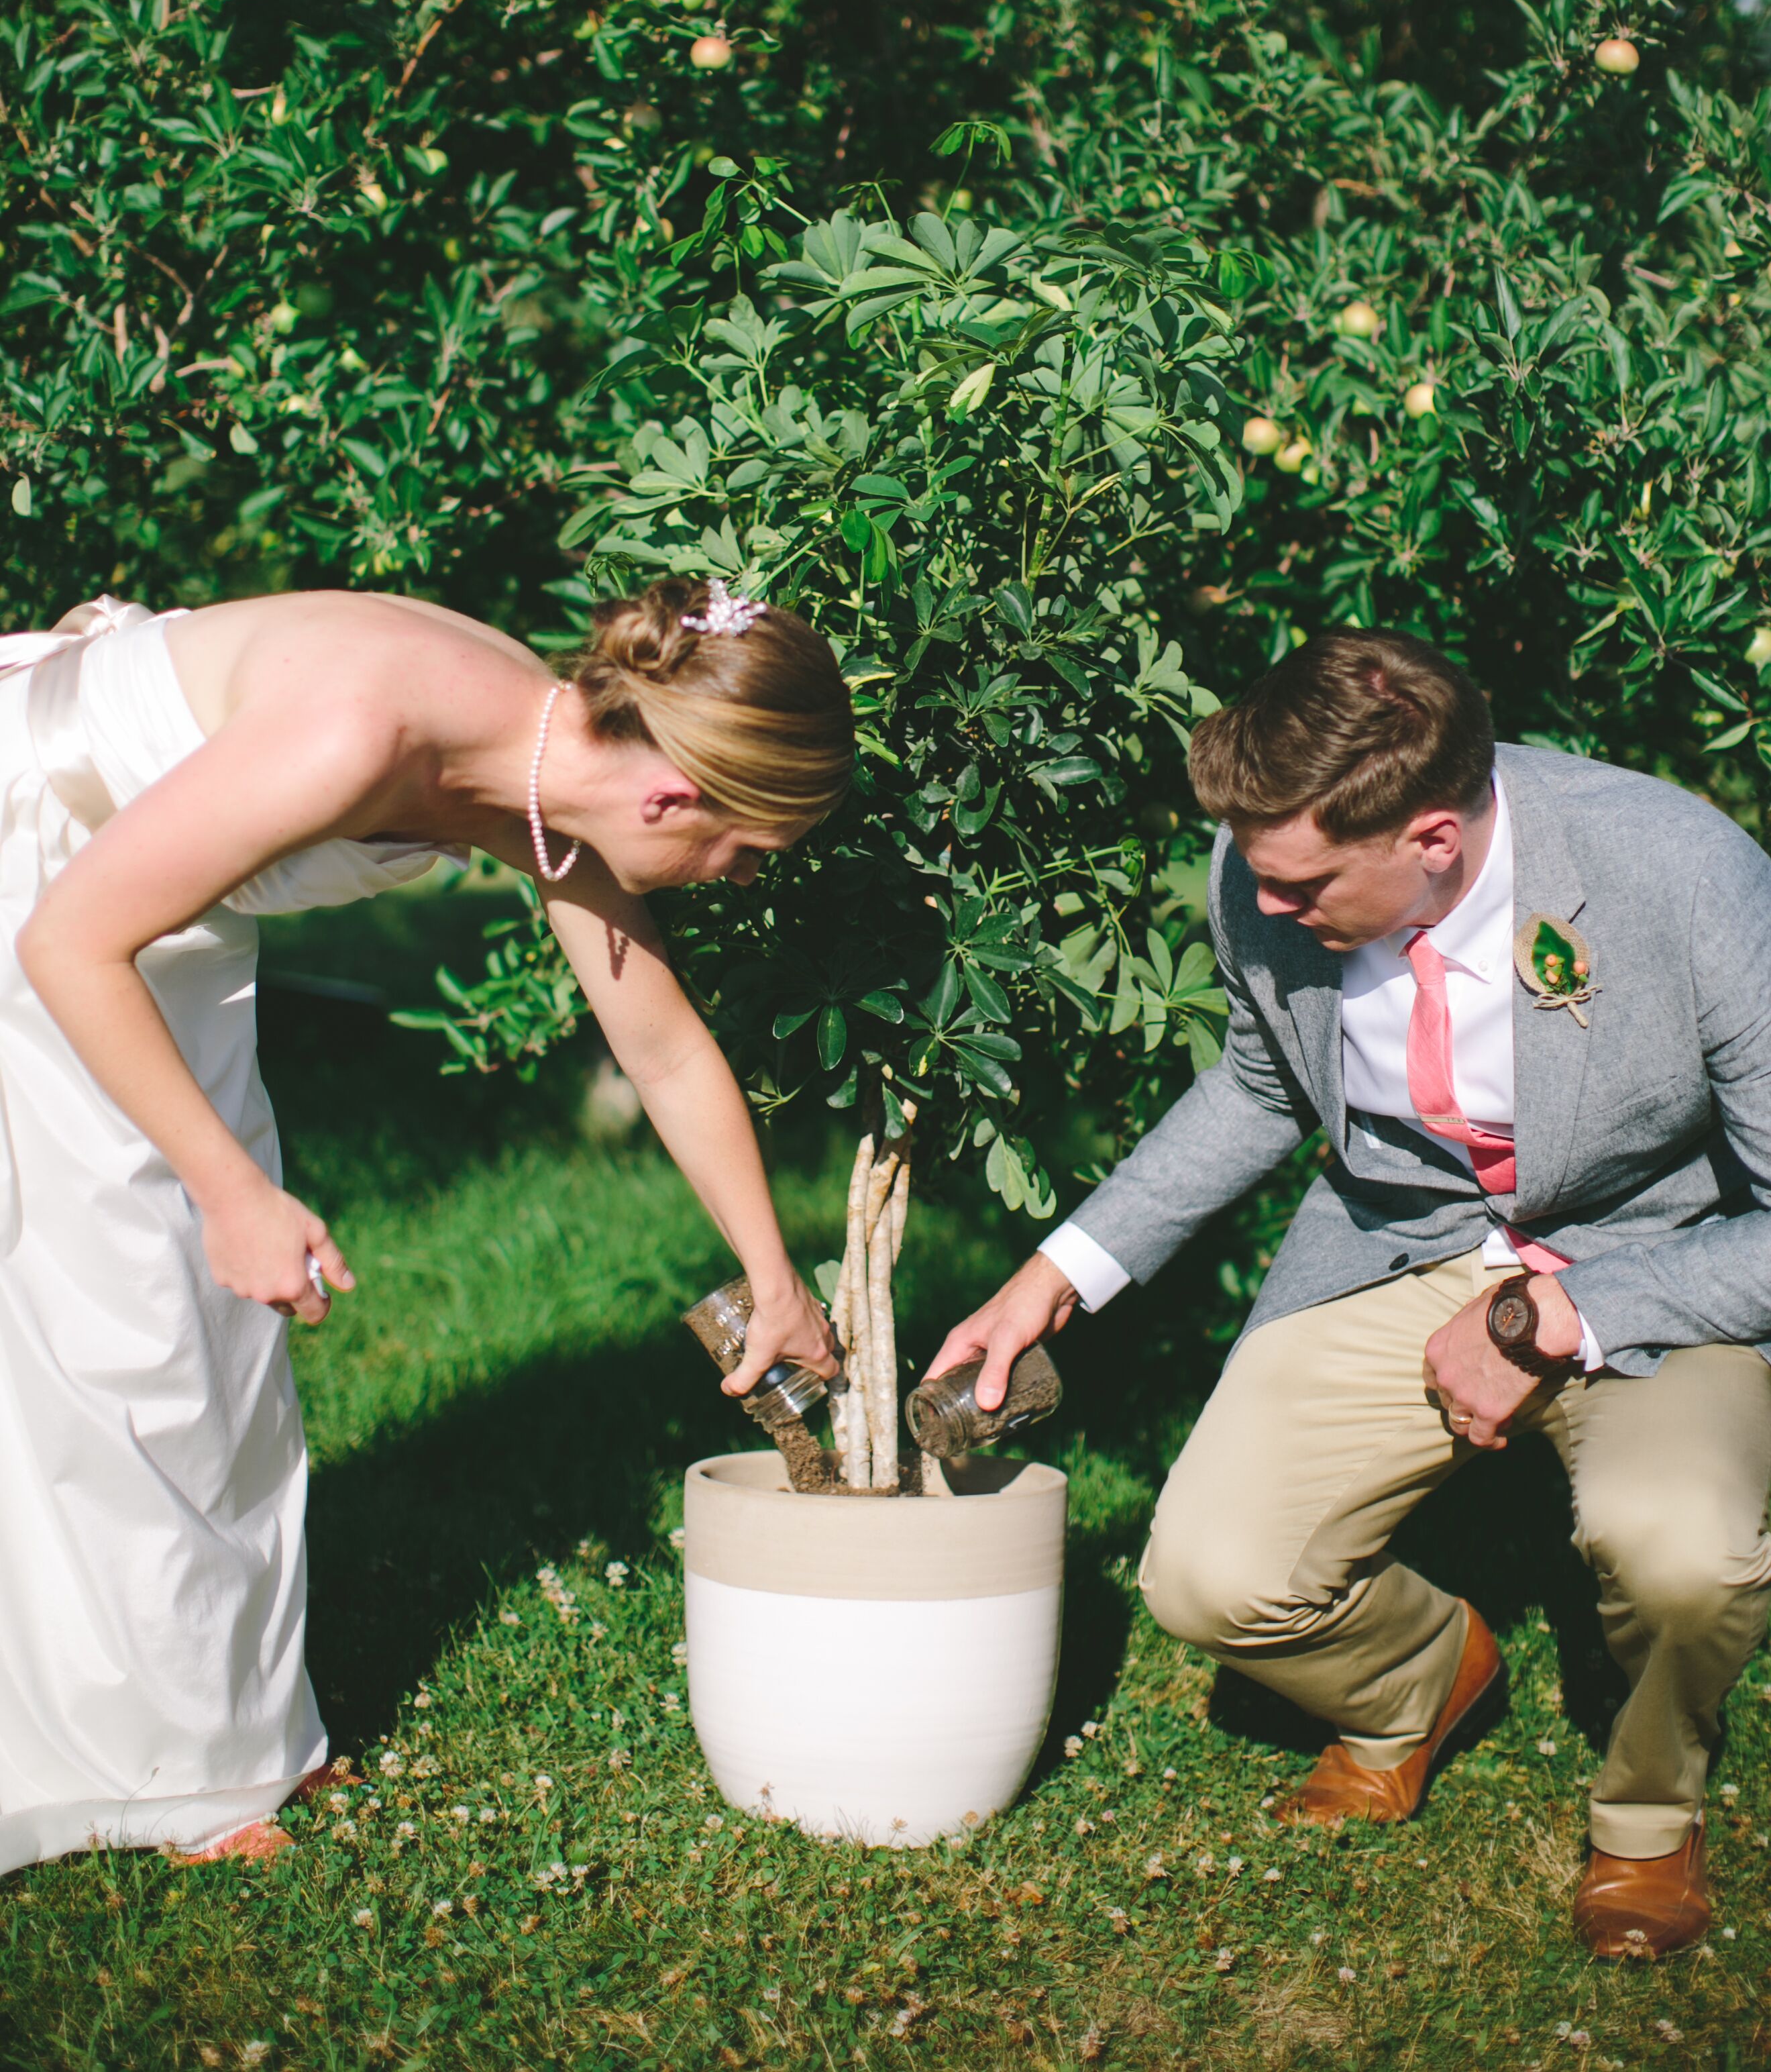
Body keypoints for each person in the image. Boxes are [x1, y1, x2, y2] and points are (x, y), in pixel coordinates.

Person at [928, 630, 1771, 1961]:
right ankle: (1421, 1684)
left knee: (1685, 1555)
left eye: (1304, 886)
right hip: (1405, 1241)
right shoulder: (1269, 859)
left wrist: (1547, 1318)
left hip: (1649, 1265)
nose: (1268, 911)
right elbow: (1263, 1090)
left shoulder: (1686, 878)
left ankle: (1649, 1813)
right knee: (1210, 1579)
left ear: (1434, 836)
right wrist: (1059, 1274)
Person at [0, 577, 843, 1874]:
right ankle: (160, 1776)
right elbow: (68, 942)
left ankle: (207, 1748)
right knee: (126, 1316)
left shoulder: (547, 768)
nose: (729, 884)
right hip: (45, 887)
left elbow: (662, 1045)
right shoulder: (366, 731)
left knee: (201, 1344)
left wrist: (774, 1276)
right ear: (672, 794)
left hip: (160, 932)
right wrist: (233, 1192)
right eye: (743, 855)